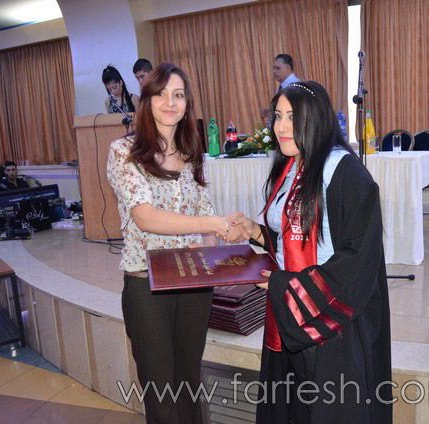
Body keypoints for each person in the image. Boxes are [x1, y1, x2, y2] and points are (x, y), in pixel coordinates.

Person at [238, 81, 392, 423]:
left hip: (332, 323)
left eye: (292, 117)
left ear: (316, 119)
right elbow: (292, 237)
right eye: (277, 116)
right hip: (290, 313)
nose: (281, 127)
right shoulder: (291, 166)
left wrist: (285, 286)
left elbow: (357, 258)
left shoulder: (345, 172)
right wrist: (256, 232)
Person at [107, 62, 249, 423]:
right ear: (146, 100)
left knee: (188, 381)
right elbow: (146, 217)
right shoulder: (124, 151)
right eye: (161, 94)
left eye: (179, 95)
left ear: (187, 104)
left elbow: (205, 212)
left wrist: (223, 245)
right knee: (161, 389)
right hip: (147, 284)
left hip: (193, 281)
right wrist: (214, 224)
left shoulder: (191, 152)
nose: (170, 102)